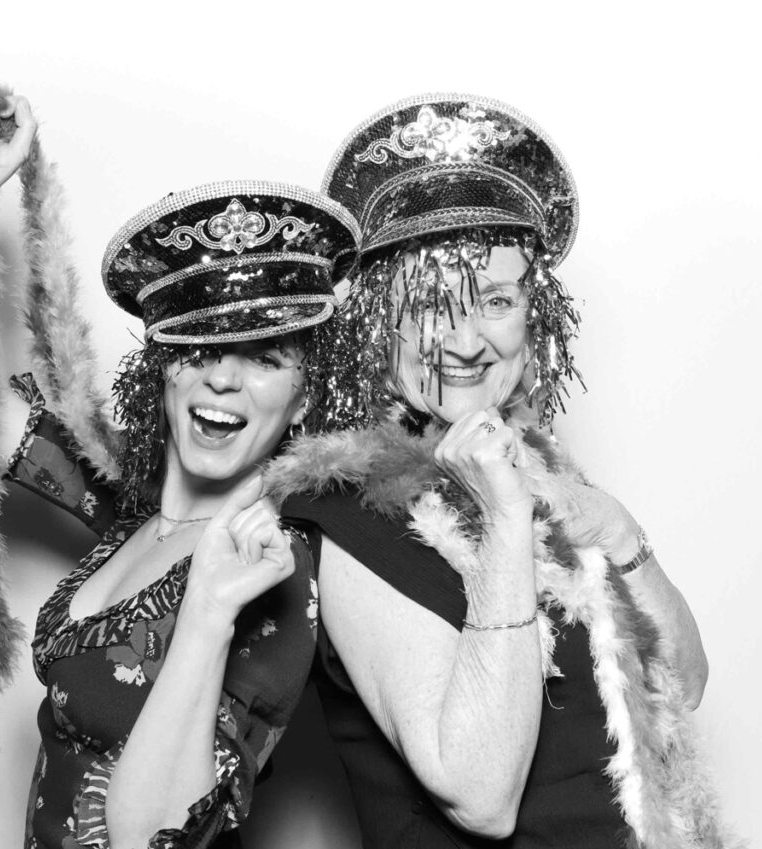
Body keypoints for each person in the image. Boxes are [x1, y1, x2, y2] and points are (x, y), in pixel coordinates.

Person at [268, 94, 735, 848]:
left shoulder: (546, 471)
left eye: (495, 299)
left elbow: (684, 685)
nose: (464, 339)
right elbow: (481, 797)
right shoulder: (343, 511)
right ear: (379, 322)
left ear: (534, 314)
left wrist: (620, 532)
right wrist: (509, 525)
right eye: (431, 303)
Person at [0, 86, 359, 848]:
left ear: (301, 399)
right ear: (164, 366)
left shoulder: (277, 573)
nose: (223, 378)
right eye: (201, 347)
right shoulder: (135, 496)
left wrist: (208, 615)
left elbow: (154, 832)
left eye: (265, 359)